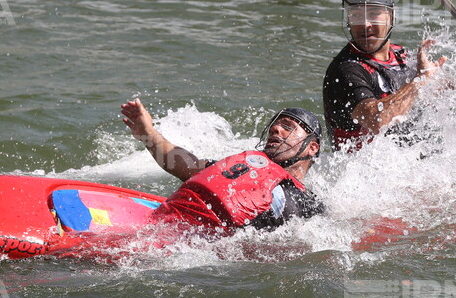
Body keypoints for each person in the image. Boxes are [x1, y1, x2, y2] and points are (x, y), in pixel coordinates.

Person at [322, 0, 456, 150]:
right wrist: (420, 81)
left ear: (391, 16)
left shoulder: (401, 55)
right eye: (356, 15)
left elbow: (450, 91)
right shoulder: (346, 69)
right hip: (368, 174)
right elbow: (376, 120)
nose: (365, 24)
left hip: (412, 162)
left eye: (374, 13)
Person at [120, 98, 325, 236]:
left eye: (288, 127)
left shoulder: (309, 206)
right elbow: (186, 165)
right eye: (274, 127)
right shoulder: (244, 168)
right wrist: (147, 133)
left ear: (312, 147)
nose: (276, 129)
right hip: (172, 231)